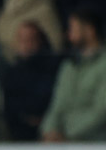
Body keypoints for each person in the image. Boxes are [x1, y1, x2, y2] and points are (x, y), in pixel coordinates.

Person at [40, 8, 106, 142]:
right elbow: (57, 106)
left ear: (89, 30)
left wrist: (67, 134)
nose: (69, 34)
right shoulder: (68, 66)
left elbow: (101, 112)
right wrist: (49, 131)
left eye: (73, 28)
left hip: (95, 145)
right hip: (61, 143)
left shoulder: (103, 64)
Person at [0, 22, 61, 141]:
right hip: (18, 127)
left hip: (47, 125)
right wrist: (24, 118)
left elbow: (53, 99)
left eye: (30, 40)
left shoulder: (52, 68)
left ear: (40, 41)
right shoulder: (12, 72)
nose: (26, 45)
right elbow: (8, 105)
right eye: (22, 40)